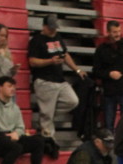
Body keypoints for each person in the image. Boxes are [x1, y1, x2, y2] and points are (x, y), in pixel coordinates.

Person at [28, 14, 83, 147]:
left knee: (73, 101)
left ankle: (47, 115)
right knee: (46, 116)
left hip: (59, 79)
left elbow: (65, 54)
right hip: (44, 80)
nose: (53, 31)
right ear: (44, 26)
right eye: (51, 28)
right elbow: (32, 61)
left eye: (55, 28)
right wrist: (50, 61)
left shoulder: (57, 37)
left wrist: (77, 70)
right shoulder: (36, 40)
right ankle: (49, 144)